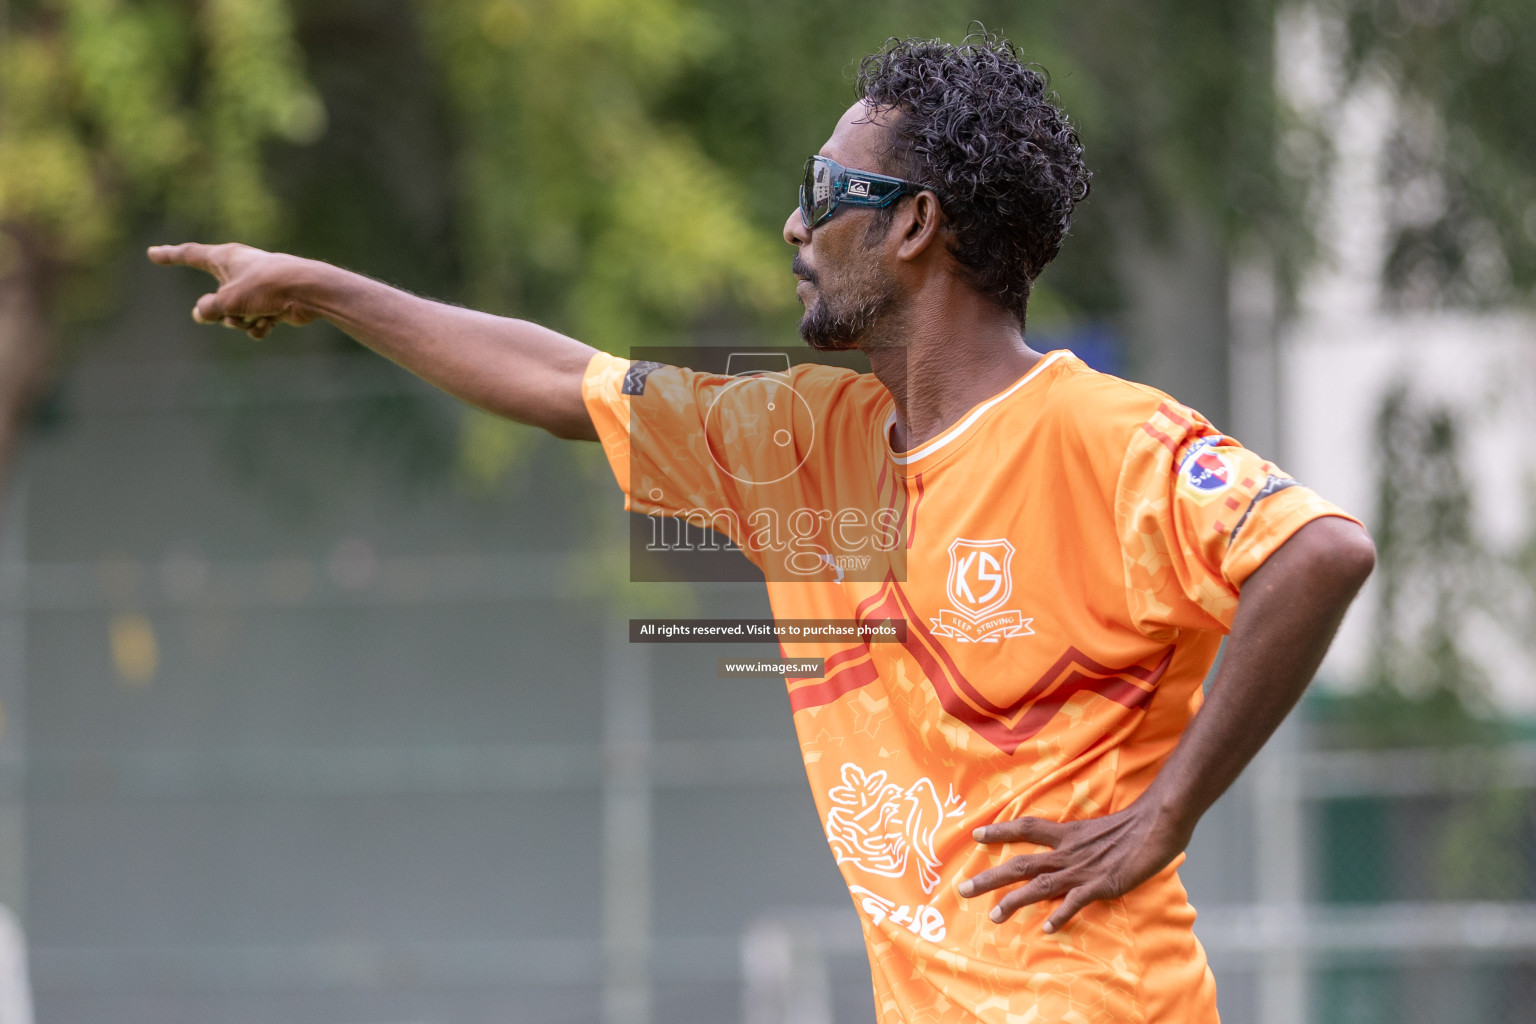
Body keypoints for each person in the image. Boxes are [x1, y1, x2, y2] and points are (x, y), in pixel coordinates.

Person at [148, 31, 1374, 1024]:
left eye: (822, 194)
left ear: (913, 225)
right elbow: (558, 378)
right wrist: (323, 285)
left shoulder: (1101, 435)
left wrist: (1166, 815)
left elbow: (1319, 552)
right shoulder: (805, 442)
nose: (794, 227)